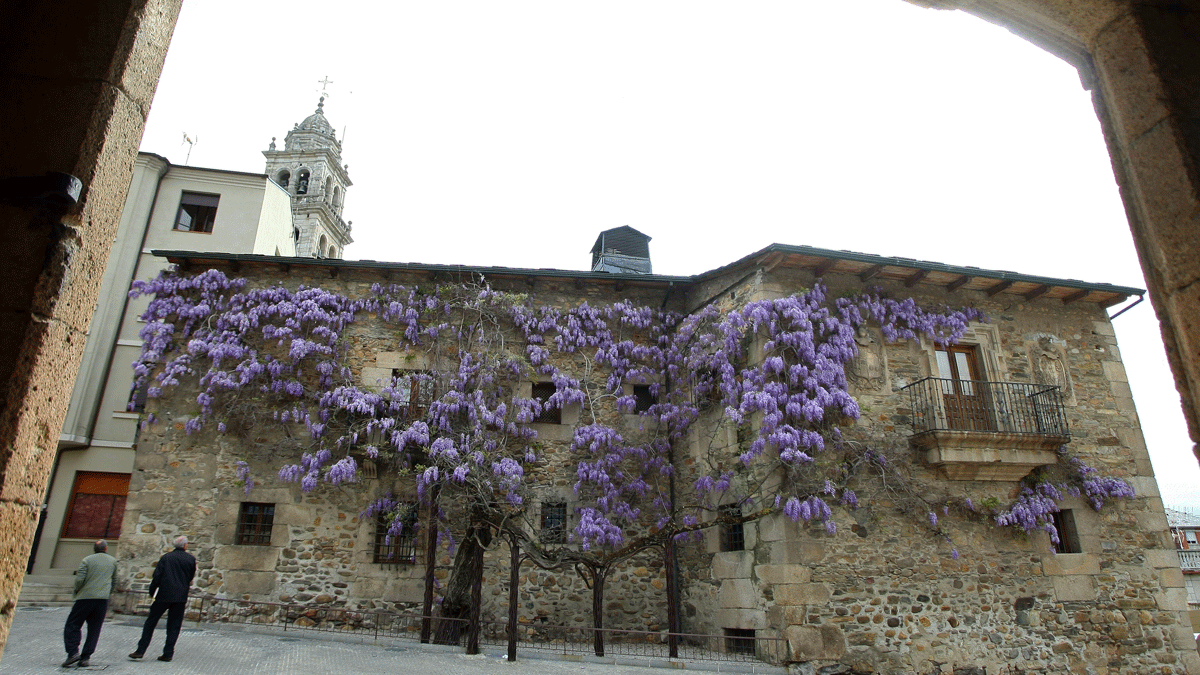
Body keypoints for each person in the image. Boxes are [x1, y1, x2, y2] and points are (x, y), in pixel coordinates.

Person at [129, 535, 196, 663]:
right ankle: (168, 653)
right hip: (180, 596)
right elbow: (190, 576)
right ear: (186, 545)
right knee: (174, 625)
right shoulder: (190, 559)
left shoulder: (166, 558)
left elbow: (157, 576)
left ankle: (140, 650)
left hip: (163, 595)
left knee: (151, 622)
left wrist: (152, 592)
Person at [62, 539, 118, 668]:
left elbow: (80, 579)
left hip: (85, 598)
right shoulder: (113, 561)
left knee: (73, 624)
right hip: (102, 599)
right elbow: (114, 580)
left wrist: (77, 589)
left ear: (94, 549)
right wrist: (108, 593)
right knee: (94, 628)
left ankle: (72, 652)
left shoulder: (87, 560)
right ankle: (86, 657)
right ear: (106, 549)